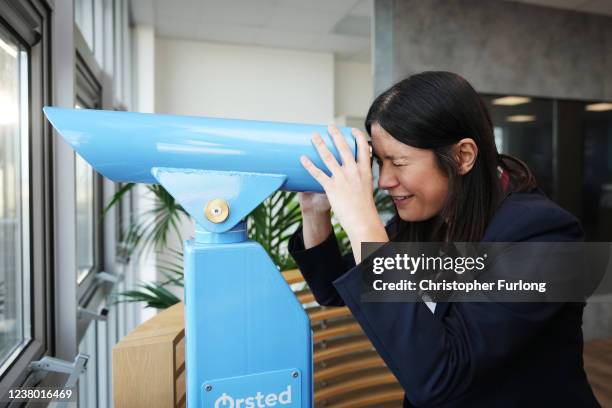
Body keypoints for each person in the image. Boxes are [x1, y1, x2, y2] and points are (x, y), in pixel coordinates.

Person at [288, 71, 600, 407]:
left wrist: (366, 227)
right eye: (380, 162)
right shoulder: (425, 219)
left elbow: (442, 377)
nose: (385, 181)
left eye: (399, 162)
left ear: (463, 156)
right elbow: (332, 290)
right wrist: (315, 212)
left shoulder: (544, 236)